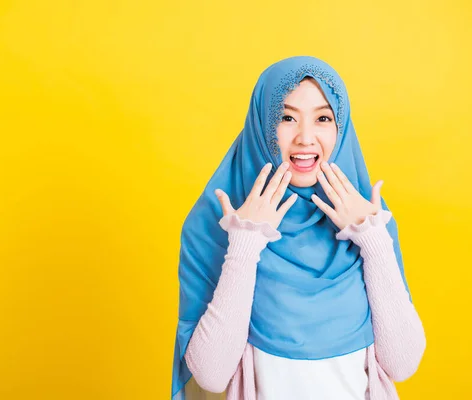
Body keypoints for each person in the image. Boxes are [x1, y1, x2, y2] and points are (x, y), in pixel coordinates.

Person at [171, 56, 426, 400]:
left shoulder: (368, 222)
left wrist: (372, 240)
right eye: (287, 117)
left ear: (342, 127)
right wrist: (245, 242)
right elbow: (212, 375)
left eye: (323, 118)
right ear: (262, 125)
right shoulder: (215, 225)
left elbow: (403, 364)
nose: (306, 138)